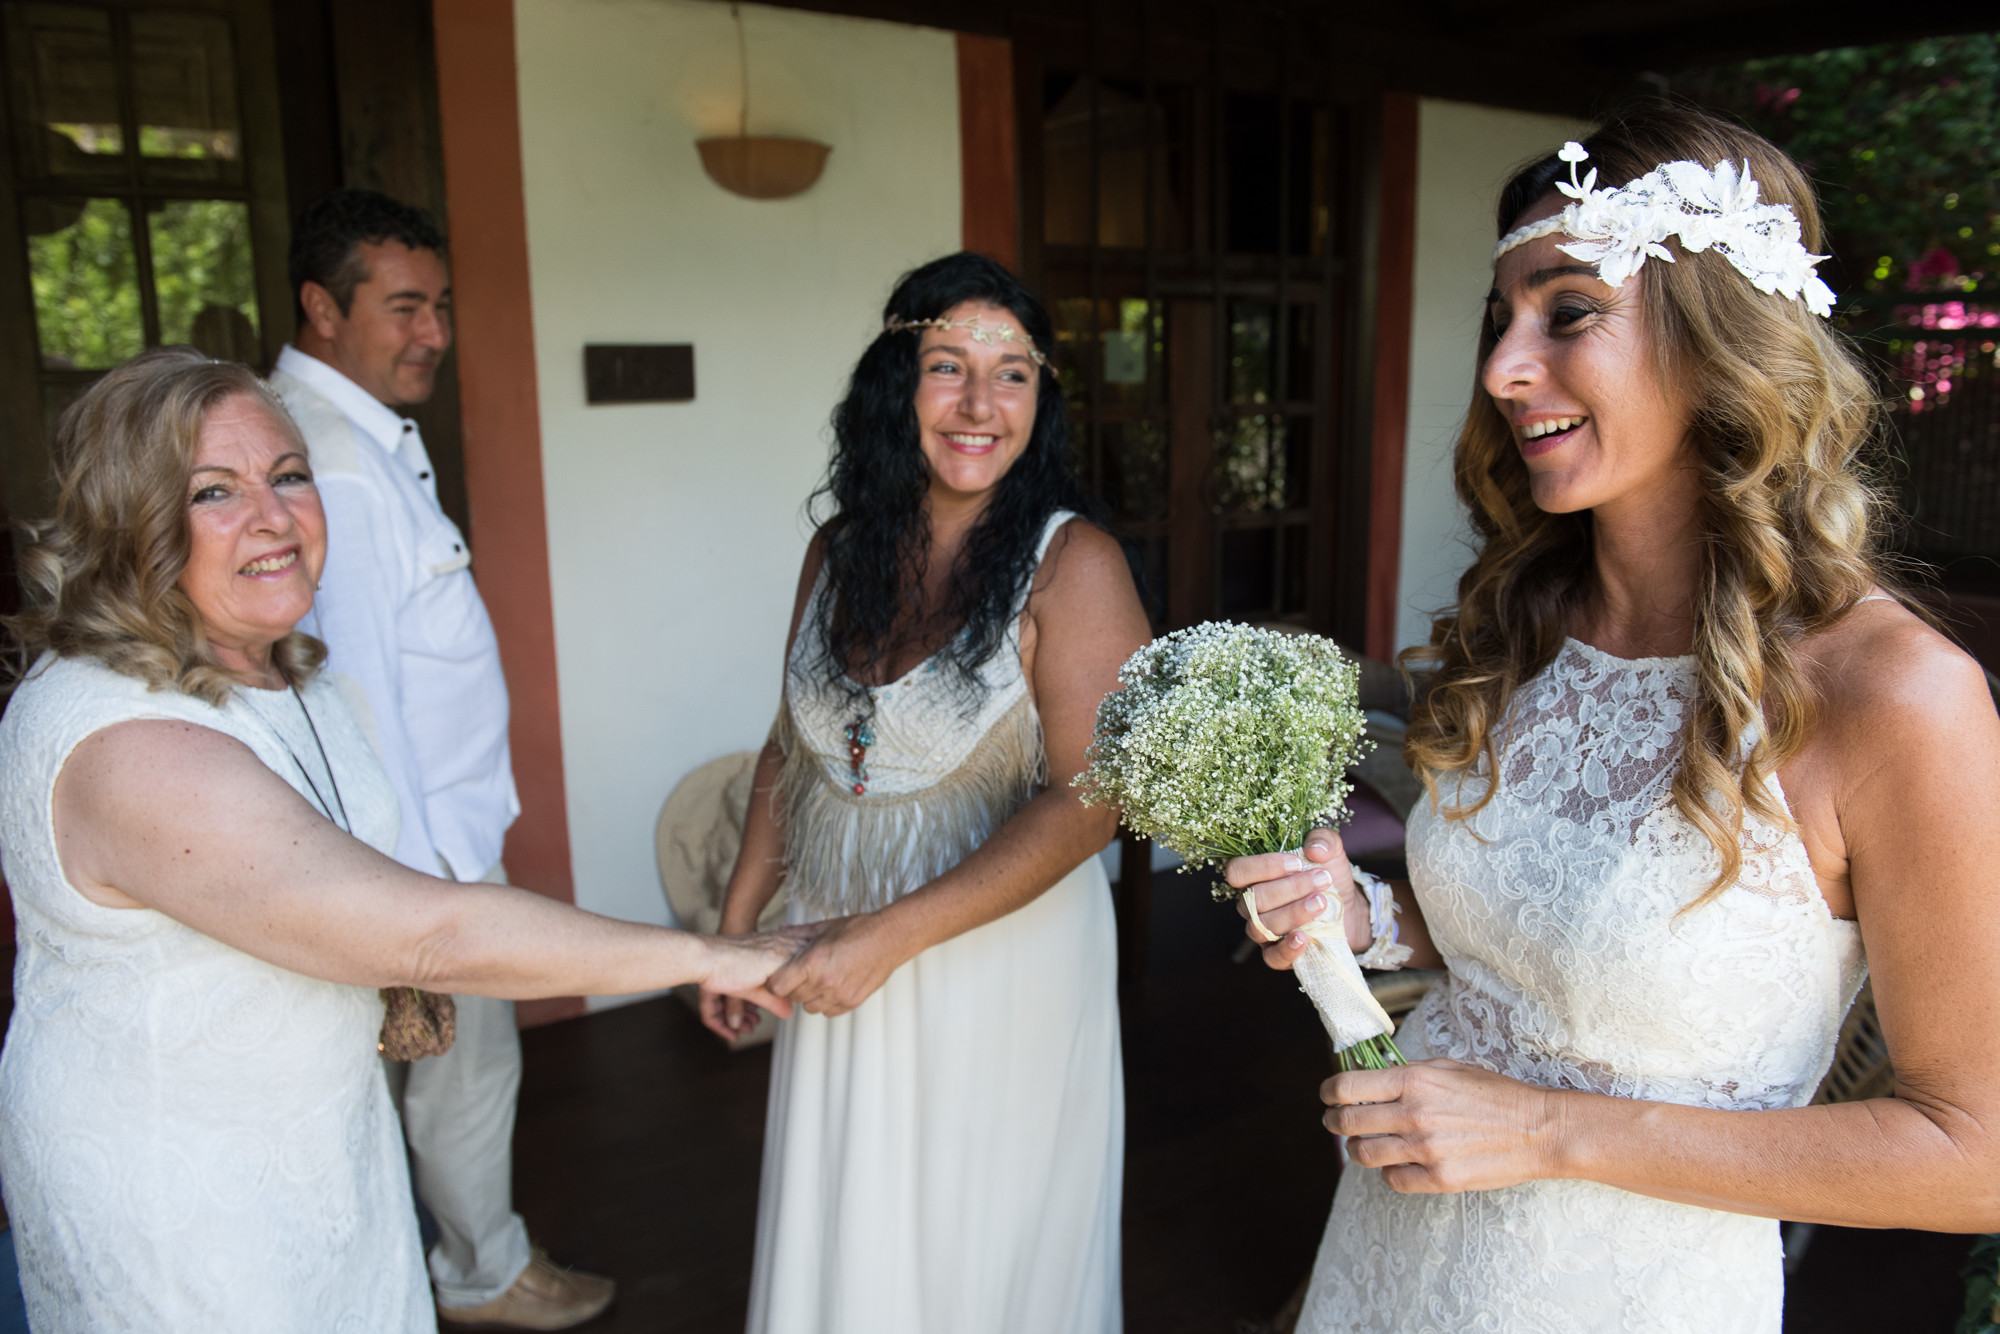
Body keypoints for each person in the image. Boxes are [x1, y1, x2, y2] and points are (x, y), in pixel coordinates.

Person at [1226, 102, 2000, 1333]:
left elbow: (1974, 1155)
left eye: (1568, 311)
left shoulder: (1893, 698)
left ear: (1718, 339)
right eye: (1500, 319)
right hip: (1383, 1260)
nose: (1499, 368)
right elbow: (1545, 930)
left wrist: (1541, 1127)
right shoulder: (1527, 623)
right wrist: (1367, 913)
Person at [0, 348, 804, 1332]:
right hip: (184, 1182)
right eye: (213, 490)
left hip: (319, 1133)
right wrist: (715, 953)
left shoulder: (284, 671)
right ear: (128, 516)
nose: (271, 516)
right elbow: (428, 936)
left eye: (288, 475)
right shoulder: (129, 740)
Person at [698, 252, 1149, 1334]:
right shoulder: (837, 550)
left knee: (974, 1235)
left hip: (998, 962)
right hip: (834, 938)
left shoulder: (1069, 564)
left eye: (1012, 373)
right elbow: (789, 747)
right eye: (948, 365)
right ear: (895, 383)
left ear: (1041, 401)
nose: (978, 404)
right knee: (853, 1219)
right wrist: (732, 922)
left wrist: (888, 934)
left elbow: (1095, 797)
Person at [266, 189, 604, 1329]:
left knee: (435, 1078)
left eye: (441, 306)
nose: (433, 333)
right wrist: (421, 896)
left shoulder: (349, 436)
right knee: (466, 1070)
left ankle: (457, 1261)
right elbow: (353, 691)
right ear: (322, 306)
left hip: (428, 848)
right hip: (424, 861)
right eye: (404, 305)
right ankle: (481, 1271)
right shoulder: (337, 466)